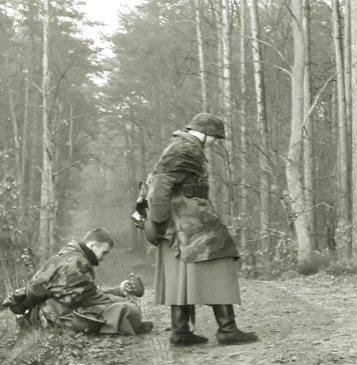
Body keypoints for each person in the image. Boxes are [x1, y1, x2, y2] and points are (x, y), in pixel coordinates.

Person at [144, 112, 260, 346]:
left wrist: (163, 222)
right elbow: (158, 186)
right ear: (205, 133)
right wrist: (159, 220)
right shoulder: (185, 149)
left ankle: (180, 331)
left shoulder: (182, 146)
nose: (215, 142)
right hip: (187, 217)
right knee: (219, 260)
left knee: (182, 272)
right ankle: (227, 330)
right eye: (215, 137)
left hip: (184, 216)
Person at [2, 229, 151, 335]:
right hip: (46, 316)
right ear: (93, 245)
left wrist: (118, 290)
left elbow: (87, 291)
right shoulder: (75, 264)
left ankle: (125, 322)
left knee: (117, 309)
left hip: (47, 310)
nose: (104, 257)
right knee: (127, 309)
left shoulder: (70, 256)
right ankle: (126, 322)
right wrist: (123, 300)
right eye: (104, 252)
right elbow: (88, 299)